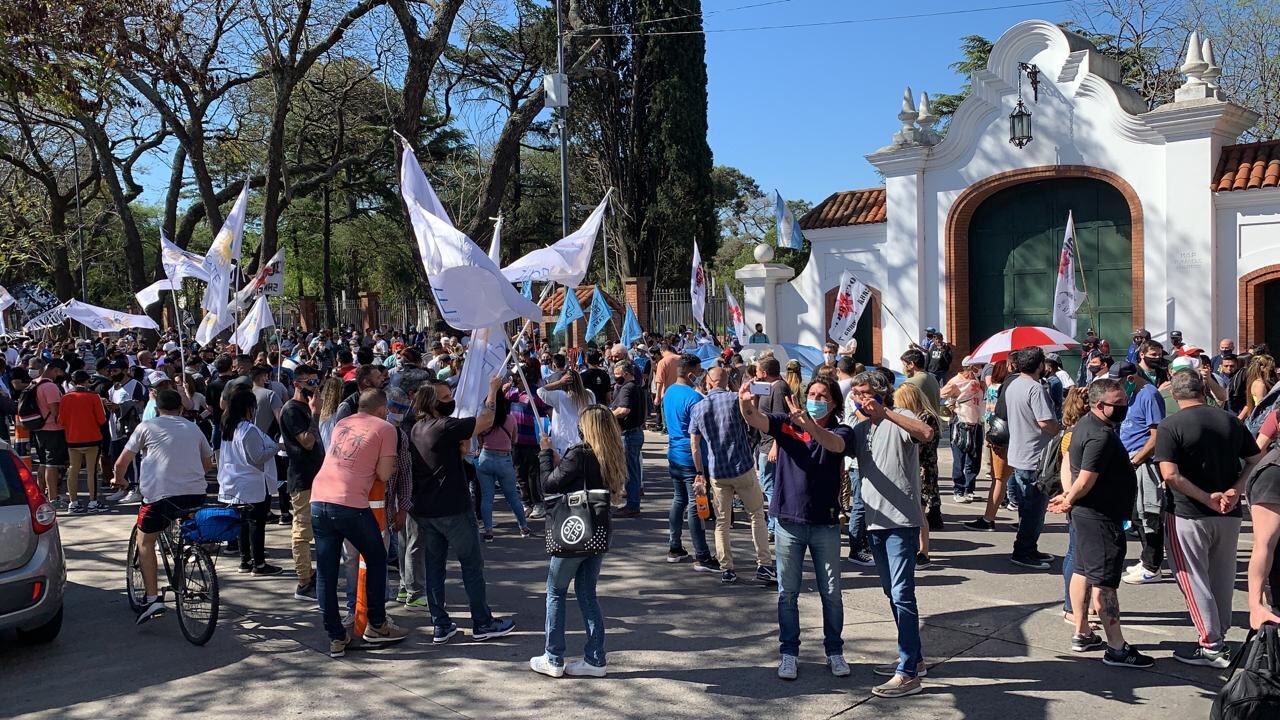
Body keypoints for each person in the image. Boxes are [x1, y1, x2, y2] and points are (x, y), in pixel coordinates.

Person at [739, 373, 855, 682]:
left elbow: (835, 444)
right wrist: (746, 405)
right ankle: (788, 653)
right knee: (786, 593)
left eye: (822, 396)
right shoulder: (785, 422)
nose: (816, 400)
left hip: (825, 524)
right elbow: (757, 420)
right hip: (789, 522)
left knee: (831, 593)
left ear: (834, 403)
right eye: (812, 394)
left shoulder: (840, 429)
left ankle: (835, 651)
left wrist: (809, 425)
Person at [1156, 369, 1262, 667]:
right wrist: (1234, 490)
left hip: (1189, 513)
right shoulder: (1229, 419)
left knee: (1192, 578)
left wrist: (1207, 497)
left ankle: (1212, 643)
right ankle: (1218, 636)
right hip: (1228, 513)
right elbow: (1255, 460)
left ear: (1175, 395)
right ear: (1203, 388)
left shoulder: (1170, 425)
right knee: (1222, 576)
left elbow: (1170, 475)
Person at [1048, 378, 1154, 668]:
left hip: (1086, 514)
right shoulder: (1100, 436)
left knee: (1082, 570)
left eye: (1124, 402)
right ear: (1098, 405)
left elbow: (1069, 460)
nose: (1124, 408)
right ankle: (1117, 647)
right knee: (1105, 582)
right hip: (1100, 518)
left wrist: (1069, 496)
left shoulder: (1084, 424)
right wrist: (1069, 497)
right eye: (1117, 405)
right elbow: (1085, 477)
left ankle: (1082, 632)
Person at [845, 370, 935, 697]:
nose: (861, 399)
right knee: (891, 593)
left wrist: (887, 414)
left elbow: (926, 432)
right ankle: (914, 658)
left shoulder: (902, 416)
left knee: (902, 594)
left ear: (882, 393)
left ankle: (909, 672)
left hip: (901, 522)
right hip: (874, 521)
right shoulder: (858, 428)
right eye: (856, 393)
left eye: (867, 393)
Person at [410, 378, 516, 644]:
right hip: (452, 509)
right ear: (431, 402)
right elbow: (486, 421)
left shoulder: (417, 429)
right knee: (471, 565)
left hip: (427, 510)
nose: (449, 401)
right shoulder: (445, 426)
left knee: (435, 568)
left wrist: (461, 450)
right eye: (444, 398)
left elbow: (444, 458)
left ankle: (440, 624)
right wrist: (492, 390)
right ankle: (482, 621)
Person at [529, 405, 626, 679]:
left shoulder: (580, 453)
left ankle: (553, 656)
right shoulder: (610, 453)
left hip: (574, 530)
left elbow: (549, 484)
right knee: (587, 594)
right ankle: (595, 657)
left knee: (556, 591)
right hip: (598, 530)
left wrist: (546, 453)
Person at [310, 388, 409, 657]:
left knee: (327, 571)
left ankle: (336, 635)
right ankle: (377, 624)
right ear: (382, 409)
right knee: (377, 557)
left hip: (319, 498)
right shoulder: (386, 428)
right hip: (351, 502)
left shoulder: (343, 422)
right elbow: (384, 473)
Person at [113, 388, 214, 623]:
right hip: (195, 494)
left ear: (157, 408)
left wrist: (119, 479)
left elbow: (122, 462)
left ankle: (152, 599)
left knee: (145, 541)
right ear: (181, 408)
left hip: (159, 496)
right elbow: (208, 463)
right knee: (187, 533)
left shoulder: (147, 427)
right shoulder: (193, 427)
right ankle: (192, 555)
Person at [689, 367, 773, 584]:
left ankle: (727, 568)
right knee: (756, 515)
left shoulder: (698, 408)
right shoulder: (735, 399)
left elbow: (695, 445)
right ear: (727, 382)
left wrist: (700, 472)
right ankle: (764, 564)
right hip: (742, 465)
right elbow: (751, 417)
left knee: (722, 521)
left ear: (708, 383)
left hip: (717, 470)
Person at [1109, 360, 1167, 586]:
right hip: (1131, 460)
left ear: (1131, 379)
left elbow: (1156, 434)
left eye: (1120, 383)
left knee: (1148, 514)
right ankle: (1146, 559)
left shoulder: (1149, 395)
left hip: (1143, 463)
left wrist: (1137, 459)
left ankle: (1152, 566)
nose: (1118, 388)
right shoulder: (1132, 395)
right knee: (1136, 515)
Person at [1002, 347, 1060, 570]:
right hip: (1035, 456)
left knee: (1028, 507)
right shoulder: (1035, 388)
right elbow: (1045, 421)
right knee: (1034, 509)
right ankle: (1023, 551)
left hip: (1020, 453)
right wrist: (1060, 430)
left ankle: (1029, 547)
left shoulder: (1014, 384)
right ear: (1039, 366)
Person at [218, 388, 283, 576]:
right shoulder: (247, 429)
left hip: (236, 481)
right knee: (256, 523)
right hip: (252, 482)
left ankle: (245, 560)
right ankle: (259, 563)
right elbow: (257, 457)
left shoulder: (229, 428)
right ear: (249, 407)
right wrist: (275, 447)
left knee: (244, 523)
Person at [661, 354, 716, 571]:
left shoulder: (670, 392)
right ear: (691, 373)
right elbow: (701, 431)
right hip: (692, 457)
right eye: (700, 372)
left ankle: (675, 546)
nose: (702, 375)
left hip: (675, 453)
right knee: (696, 504)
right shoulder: (694, 398)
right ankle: (701, 554)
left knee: (679, 500)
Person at [280, 364, 325, 600]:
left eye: (317, 382)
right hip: (302, 478)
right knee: (302, 531)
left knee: (318, 529)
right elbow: (307, 442)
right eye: (311, 383)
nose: (315, 387)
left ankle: (312, 574)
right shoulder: (292, 410)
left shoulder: (305, 408)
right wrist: (315, 413)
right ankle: (304, 581)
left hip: (318, 476)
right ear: (297, 384)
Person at [474, 389, 537, 542]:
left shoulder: (483, 420)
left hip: (485, 458)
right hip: (505, 459)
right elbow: (515, 440)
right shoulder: (511, 419)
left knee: (487, 498)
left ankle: (488, 531)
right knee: (513, 497)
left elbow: (479, 441)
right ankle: (523, 527)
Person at [893, 383, 941, 564]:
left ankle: (923, 552)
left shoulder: (926, 418)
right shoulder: (920, 416)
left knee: (918, 513)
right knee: (916, 512)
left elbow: (917, 446)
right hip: (917, 468)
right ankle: (920, 549)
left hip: (922, 470)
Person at [965, 360, 1014, 531]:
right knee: (1002, 478)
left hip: (995, 433)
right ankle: (990, 517)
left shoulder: (993, 387)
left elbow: (989, 414)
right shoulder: (1007, 388)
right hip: (1003, 433)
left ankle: (989, 518)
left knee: (998, 478)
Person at [60, 370, 108, 513]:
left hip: (72, 439)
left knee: (73, 470)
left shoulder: (65, 397)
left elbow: (61, 420)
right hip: (92, 438)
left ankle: (73, 502)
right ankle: (93, 502)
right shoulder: (94, 397)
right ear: (87, 381)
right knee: (91, 471)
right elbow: (102, 419)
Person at [753, 356, 791, 538]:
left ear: (765, 372)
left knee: (769, 484)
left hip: (771, 445)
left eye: (758, 371)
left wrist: (776, 444)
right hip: (765, 443)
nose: (756, 374)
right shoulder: (769, 387)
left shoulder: (779, 387)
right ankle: (775, 524)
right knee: (770, 484)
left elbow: (781, 419)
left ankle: (775, 525)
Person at [941, 360, 983, 503]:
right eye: (979, 366)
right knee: (960, 458)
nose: (981, 369)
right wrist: (953, 401)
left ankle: (969, 488)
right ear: (971, 367)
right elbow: (941, 394)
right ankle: (958, 489)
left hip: (976, 422)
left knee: (974, 457)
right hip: (961, 422)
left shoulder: (975, 379)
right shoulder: (955, 381)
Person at [609, 360, 646, 518]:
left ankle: (632, 505)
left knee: (630, 471)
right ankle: (633, 503)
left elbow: (624, 410)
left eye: (617, 374)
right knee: (633, 470)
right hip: (635, 433)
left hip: (629, 434)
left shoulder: (627, 389)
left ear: (625, 373)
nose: (615, 377)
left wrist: (606, 415)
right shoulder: (636, 387)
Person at [31, 358, 68, 508]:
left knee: (43, 463)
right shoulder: (50, 387)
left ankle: (41, 494)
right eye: (60, 372)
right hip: (53, 429)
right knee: (52, 464)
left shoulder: (35, 382)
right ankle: (53, 498)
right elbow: (55, 411)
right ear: (56, 370)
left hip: (38, 428)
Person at [538, 366, 591, 456]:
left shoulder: (560, 396)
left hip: (564, 444)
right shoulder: (589, 395)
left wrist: (559, 382)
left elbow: (540, 391)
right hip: (584, 441)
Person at [900, 349, 941, 415]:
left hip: (921, 422)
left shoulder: (910, 383)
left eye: (904, 364)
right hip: (935, 421)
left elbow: (903, 407)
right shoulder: (932, 377)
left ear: (912, 364)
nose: (904, 367)